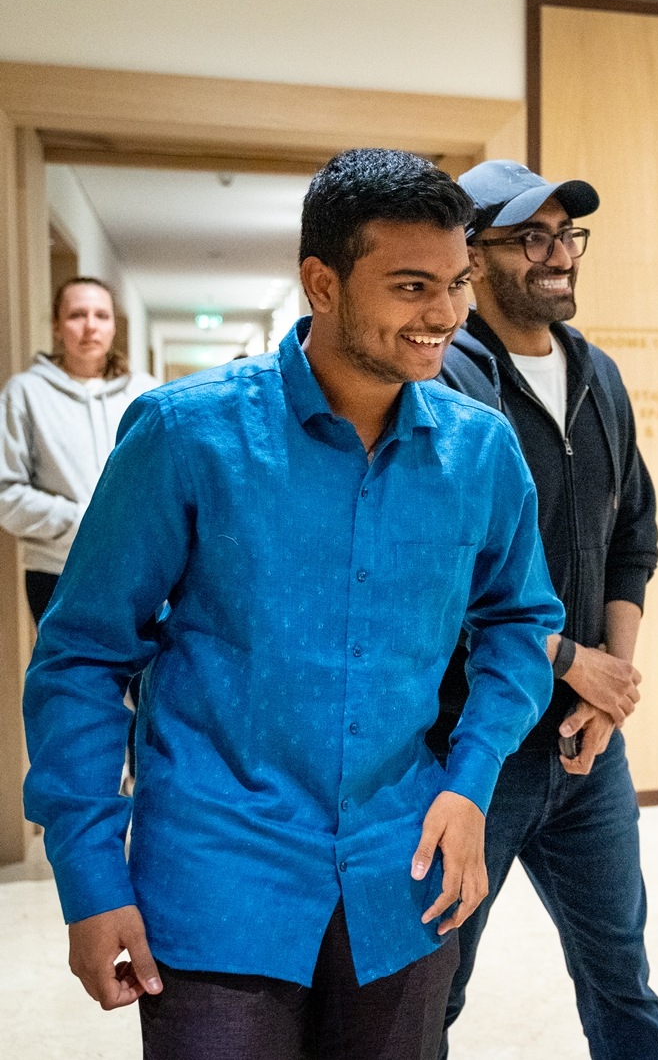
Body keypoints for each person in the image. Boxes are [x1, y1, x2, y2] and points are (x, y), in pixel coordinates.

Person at [22, 148, 565, 1060]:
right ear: (322, 282)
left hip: (405, 876)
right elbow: (81, 654)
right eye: (411, 285)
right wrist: (89, 872)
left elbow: (520, 621)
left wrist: (471, 781)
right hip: (217, 882)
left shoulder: (482, 451)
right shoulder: (186, 434)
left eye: (457, 283)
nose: (446, 314)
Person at [433, 160, 658, 1060]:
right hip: (473, 747)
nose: (559, 254)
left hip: (586, 749)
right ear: (472, 256)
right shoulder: (445, 384)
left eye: (566, 235)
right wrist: (572, 660)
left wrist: (608, 687)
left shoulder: (599, 375)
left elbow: (633, 538)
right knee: (432, 991)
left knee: (622, 980)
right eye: (531, 237)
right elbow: (445, 576)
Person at [0, 276, 158, 624]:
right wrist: (82, 521)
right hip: (57, 573)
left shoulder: (146, 393)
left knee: (144, 661)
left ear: (113, 326)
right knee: (67, 662)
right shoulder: (25, 393)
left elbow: (165, 482)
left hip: (137, 569)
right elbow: (5, 492)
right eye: (76, 315)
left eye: (101, 315)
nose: (90, 326)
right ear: (57, 326)